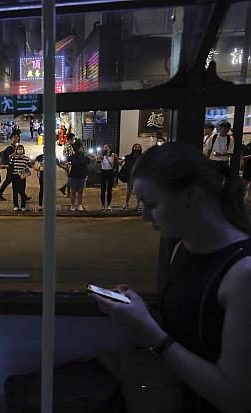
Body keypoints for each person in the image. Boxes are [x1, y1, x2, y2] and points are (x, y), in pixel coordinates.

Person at [92, 143, 251, 413]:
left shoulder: (242, 273)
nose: (144, 216)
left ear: (190, 196)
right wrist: (142, 315)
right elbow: (188, 332)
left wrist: (151, 332)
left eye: (152, 204)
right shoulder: (183, 248)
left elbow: (235, 399)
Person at [97, 143, 120, 212]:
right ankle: (103, 205)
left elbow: (119, 161)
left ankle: (109, 205)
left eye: (106, 147)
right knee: (103, 189)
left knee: (109, 189)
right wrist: (97, 156)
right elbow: (97, 160)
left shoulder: (113, 155)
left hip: (110, 172)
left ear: (109, 148)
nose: (105, 148)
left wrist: (121, 160)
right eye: (104, 147)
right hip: (103, 172)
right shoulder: (102, 155)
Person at [9, 144, 32, 212]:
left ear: (23, 150)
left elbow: (30, 165)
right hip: (14, 176)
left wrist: (32, 163)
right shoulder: (13, 158)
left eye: (21, 149)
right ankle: (15, 205)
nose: (20, 150)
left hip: (22, 176)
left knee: (22, 191)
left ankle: (23, 206)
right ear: (16, 150)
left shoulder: (26, 158)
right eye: (18, 149)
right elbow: (10, 165)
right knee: (15, 191)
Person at [0, 134, 20, 201]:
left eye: (17, 137)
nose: (16, 138)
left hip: (14, 166)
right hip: (10, 167)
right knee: (12, 181)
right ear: (11, 139)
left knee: (13, 181)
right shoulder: (10, 147)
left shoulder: (15, 146)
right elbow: (10, 157)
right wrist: (16, 153)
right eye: (14, 137)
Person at [121, 143, 142, 211]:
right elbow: (122, 161)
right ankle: (126, 203)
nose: (136, 148)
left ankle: (138, 205)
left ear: (140, 148)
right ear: (133, 148)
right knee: (128, 191)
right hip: (130, 176)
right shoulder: (129, 157)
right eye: (135, 147)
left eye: (138, 147)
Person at [68, 144, 89, 212]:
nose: (82, 150)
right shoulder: (72, 157)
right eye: (80, 148)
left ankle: (80, 205)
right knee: (73, 191)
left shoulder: (85, 157)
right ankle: (72, 205)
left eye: (82, 148)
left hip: (82, 176)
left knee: (80, 192)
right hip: (73, 176)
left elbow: (89, 162)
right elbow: (68, 162)